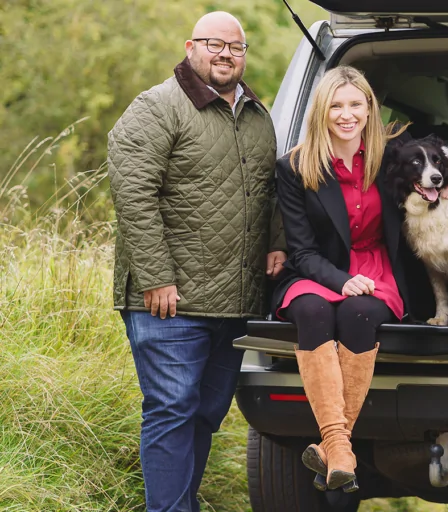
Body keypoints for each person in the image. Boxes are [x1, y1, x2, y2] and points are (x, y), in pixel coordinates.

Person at [107, 12, 284, 512]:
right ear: (191, 47)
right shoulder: (157, 106)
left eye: (236, 47)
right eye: (214, 44)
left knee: (205, 413)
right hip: (169, 303)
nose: (225, 54)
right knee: (171, 410)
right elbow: (133, 194)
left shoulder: (256, 114)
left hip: (232, 302)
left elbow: (270, 191)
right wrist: (157, 277)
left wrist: (277, 242)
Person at [271, 66, 448, 491]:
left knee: (360, 313)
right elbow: (302, 250)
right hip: (317, 269)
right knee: (311, 309)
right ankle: (340, 448)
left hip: (377, 270)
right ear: (321, 111)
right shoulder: (296, 167)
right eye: (336, 106)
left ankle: (334, 449)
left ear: (369, 109)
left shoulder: (389, 153)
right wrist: (339, 279)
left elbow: (442, 145)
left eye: (355, 105)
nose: (346, 115)